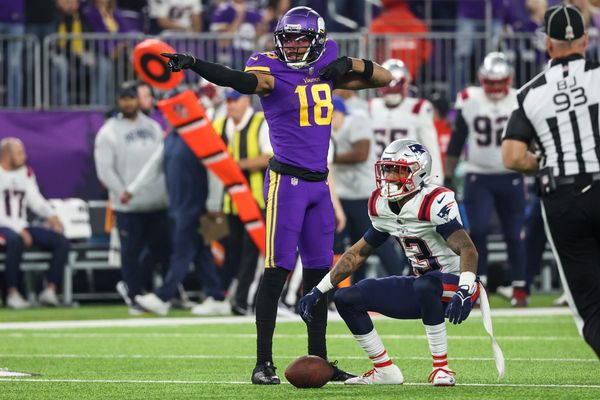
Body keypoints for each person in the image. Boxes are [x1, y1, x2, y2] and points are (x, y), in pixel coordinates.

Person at [159, 5, 392, 384]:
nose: (295, 46)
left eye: (302, 39)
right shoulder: (267, 67)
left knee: (321, 275)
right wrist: (195, 63)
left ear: (316, 40)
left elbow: (383, 78)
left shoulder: (328, 60)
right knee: (277, 269)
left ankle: (320, 358)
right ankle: (262, 363)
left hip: (319, 183)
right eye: (288, 38)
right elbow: (242, 81)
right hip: (288, 184)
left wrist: (350, 62)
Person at [299, 139, 481, 386]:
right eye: (387, 169)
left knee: (426, 285)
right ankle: (384, 370)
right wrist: (319, 290)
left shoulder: (434, 201)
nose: (390, 176)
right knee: (347, 299)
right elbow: (357, 254)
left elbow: (467, 248)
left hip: (457, 283)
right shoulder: (380, 204)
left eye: (399, 170)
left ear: (419, 173)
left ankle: (441, 369)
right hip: (423, 283)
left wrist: (465, 288)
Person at [502, 4, 600, 358]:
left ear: (547, 44)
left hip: (563, 197)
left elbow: (512, 157)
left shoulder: (530, 93)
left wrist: (544, 160)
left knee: (590, 308)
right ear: (586, 40)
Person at [445, 52, 528, 306]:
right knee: (477, 232)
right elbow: (457, 140)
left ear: (509, 78)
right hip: (478, 175)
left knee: (514, 234)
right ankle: (477, 287)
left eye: (498, 82)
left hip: (511, 174)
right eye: (489, 82)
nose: (493, 88)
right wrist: (448, 175)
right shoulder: (469, 99)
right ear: (481, 79)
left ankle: (520, 288)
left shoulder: (518, 98)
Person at [130, 125, 230, 317]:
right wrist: (133, 189)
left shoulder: (201, 135)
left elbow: (216, 168)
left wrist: (214, 204)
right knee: (201, 253)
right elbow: (153, 166)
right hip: (178, 208)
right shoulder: (171, 138)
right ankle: (217, 297)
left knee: (182, 253)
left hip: (199, 208)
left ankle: (163, 297)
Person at [94, 82, 170, 315]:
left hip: (157, 202)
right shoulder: (108, 132)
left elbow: (161, 163)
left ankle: (135, 288)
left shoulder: (153, 127)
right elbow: (105, 169)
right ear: (118, 101)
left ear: (138, 100)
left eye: (131, 98)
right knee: (130, 253)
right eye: (124, 99)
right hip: (127, 205)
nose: (128, 103)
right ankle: (135, 296)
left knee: (161, 250)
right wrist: (121, 192)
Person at [330, 96, 405, 282]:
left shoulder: (356, 121)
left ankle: (405, 279)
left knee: (378, 242)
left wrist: (329, 158)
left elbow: (361, 153)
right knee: (354, 249)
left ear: (338, 112)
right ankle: (356, 289)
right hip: (343, 195)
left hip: (365, 194)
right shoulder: (329, 130)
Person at [212, 88, 272, 315]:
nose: (230, 106)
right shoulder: (221, 124)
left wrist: (236, 166)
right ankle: (225, 295)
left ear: (246, 101)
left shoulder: (260, 123)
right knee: (231, 251)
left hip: (257, 201)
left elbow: (269, 156)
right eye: (228, 101)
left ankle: (244, 300)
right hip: (228, 202)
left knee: (252, 252)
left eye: (234, 101)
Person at [0, 138, 69, 309]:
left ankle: (50, 290)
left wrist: (52, 216)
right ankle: (12, 293)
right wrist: (19, 229)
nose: (24, 156)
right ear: (7, 155)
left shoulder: (25, 173)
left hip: (21, 225)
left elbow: (35, 200)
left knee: (61, 241)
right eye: (19, 153)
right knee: (15, 240)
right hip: (3, 226)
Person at [370, 58, 444, 184]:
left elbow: (430, 147)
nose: (392, 90)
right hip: (377, 175)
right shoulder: (371, 107)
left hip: (408, 175)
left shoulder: (418, 108)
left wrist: (435, 180)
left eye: (397, 85)